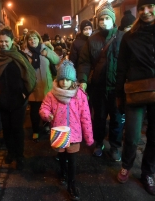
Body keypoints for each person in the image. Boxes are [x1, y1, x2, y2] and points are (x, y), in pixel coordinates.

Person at [0, 27, 36, 170]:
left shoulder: (20, 56)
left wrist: (24, 94)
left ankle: (20, 156)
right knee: (7, 129)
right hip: (1, 102)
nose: (3, 44)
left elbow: (30, 76)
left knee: (17, 129)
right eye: (0, 41)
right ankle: (11, 152)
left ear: (12, 41)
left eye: (6, 41)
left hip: (18, 102)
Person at [116, 1, 155, 196]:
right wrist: (119, 95)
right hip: (135, 91)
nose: (146, 11)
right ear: (138, 11)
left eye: (150, 6)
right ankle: (126, 165)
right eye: (142, 8)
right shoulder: (129, 37)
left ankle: (147, 172)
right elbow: (121, 67)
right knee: (131, 134)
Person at [39, 60, 94, 201]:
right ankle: (62, 173)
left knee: (73, 161)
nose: (64, 82)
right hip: (59, 133)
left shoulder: (79, 95)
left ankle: (72, 184)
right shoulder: (52, 95)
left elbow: (86, 116)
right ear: (58, 79)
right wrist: (47, 114)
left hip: (74, 134)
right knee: (62, 157)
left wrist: (88, 137)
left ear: (73, 80)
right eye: (62, 79)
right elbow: (44, 107)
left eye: (68, 79)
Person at [77, 2, 125, 161]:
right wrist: (83, 80)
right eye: (101, 19)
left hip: (117, 88)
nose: (104, 21)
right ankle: (98, 143)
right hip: (98, 87)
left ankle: (115, 147)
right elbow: (84, 62)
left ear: (113, 19)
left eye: (106, 18)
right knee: (99, 117)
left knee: (116, 119)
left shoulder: (122, 38)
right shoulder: (92, 40)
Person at [22, 30, 60, 141]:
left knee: (47, 109)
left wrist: (47, 53)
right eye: (30, 39)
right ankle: (35, 130)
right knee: (34, 111)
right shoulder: (25, 53)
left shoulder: (45, 49)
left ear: (39, 39)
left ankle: (46, 126)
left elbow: (57, 60)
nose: (32, 40)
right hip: (33, 87)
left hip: (46, 86)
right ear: (27, 41)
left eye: (34, 38)